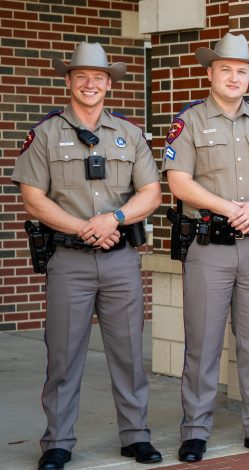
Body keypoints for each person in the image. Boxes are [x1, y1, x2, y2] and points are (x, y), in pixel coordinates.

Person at [12, 42, 162, 470]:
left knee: (130, 353)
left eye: (98, 77)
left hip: (119, 259)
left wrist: (113, 218)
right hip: (69, 260)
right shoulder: (45, 133)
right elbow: (32, 199)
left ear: (109, 84)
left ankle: (136, 437)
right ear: (69, 81)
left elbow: (150, 193)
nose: (90, 83)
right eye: (82, 76)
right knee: (63, 354)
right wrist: (83, 227)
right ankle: (57, 442)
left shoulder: (130, 134)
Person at [162, 32, 249, 462]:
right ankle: (195, 431)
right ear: (211, 72)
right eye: (227, 69)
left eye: (242, 71)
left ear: (248, 77)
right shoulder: (191, 121)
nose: (235, 77)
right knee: (203, 342)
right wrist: (230, 208)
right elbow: (178, 181)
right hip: (208, 246)